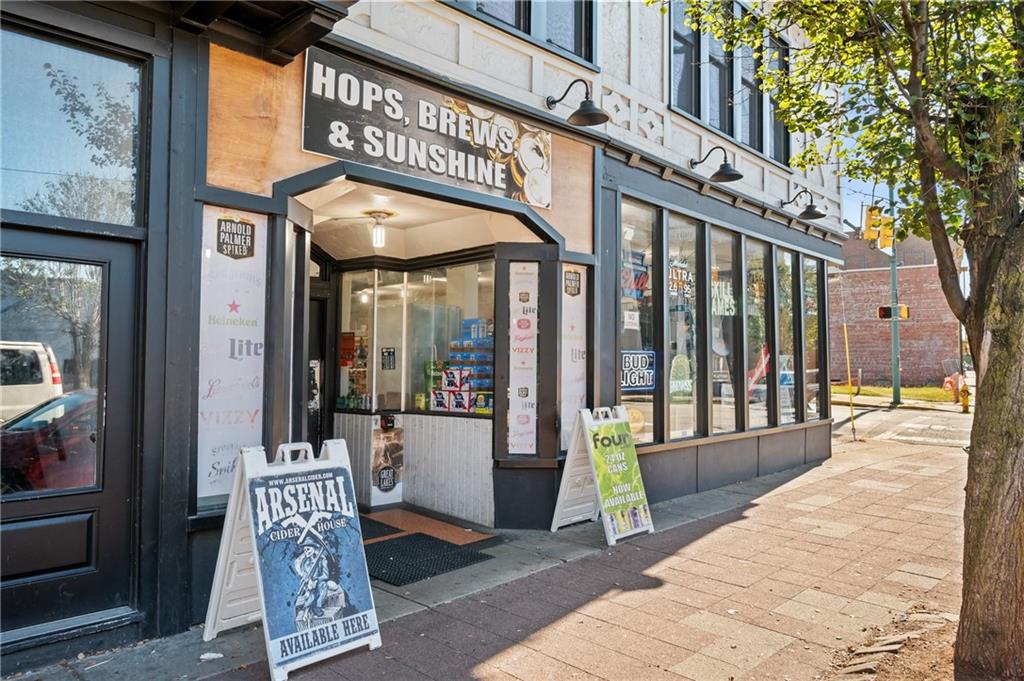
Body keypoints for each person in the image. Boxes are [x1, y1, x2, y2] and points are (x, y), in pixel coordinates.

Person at [294, 538, 331, 618]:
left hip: (320, 581)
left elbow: (326, 575)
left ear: (314, 549)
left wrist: (316, 579)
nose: (306, 552)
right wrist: (307, 581)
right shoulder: (306, 564)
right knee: (311, 594)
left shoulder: (322, 560)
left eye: (308, 549)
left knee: (322, 586)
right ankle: (307, 609)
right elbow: (306, 575)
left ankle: (318, 606)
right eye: (305, 550)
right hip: (311, 584)